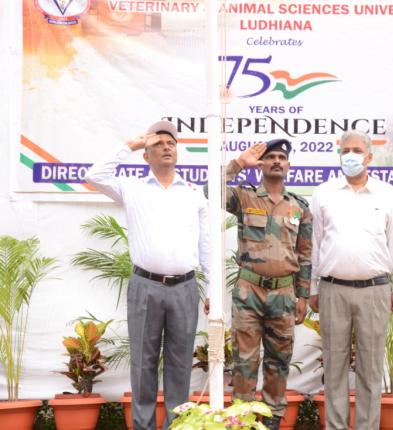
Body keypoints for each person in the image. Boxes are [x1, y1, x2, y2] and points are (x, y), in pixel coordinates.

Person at [85, 120, 210, 430]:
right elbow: (92, 175)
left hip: (185, 288)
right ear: (146, 155)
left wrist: (213, 292)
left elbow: (205, 244)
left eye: (171, 143)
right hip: (145, 285)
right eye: (157, 144)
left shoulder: (194, 193)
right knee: (144, 362)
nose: (166, 147)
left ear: (178, 152)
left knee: (180, 364)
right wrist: (130, 144)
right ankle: (143, 426)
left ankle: (176, 426)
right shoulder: (132, 187)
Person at [309, 130, 393, 430]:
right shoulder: (324, 193)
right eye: (346, 150)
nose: (351, 156)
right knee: (334, 365)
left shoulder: (387, 194)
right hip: (332, 290)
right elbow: (315, 245)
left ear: (369, 156)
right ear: (339, 155)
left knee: (370, 367)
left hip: (375, 290)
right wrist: (313, 288)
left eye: (357, 150)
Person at [205, 139, 311, 430]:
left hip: (284, 293)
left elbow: (305, 254)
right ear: (261, 164)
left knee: (279, 362)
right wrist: (239, 164)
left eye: (282, 157)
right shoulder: (245, 197)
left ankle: (274, 419)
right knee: (244, 361)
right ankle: (243, 419)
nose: (276, 161)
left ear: (289, 165)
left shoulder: (299, 207)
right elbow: (209, 191)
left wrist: (302, 297)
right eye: (271, 157)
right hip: (249, 292)